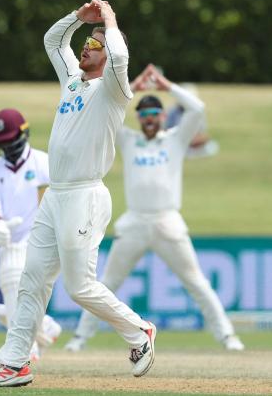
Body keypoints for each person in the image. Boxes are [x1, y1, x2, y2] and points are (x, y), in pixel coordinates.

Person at [0, 0, 156, 387]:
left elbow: (121, 57)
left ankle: (139, 331)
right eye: (88, 42)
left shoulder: (114, 88)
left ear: (107, 53)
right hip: (55, 196)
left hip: (85, 196)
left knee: (79, 286)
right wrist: (79, 18)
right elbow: (52, 41)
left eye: (95, 44)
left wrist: (109, 20)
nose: (87, 47)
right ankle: (15, 363)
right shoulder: (73, 79)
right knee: (32, 279)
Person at [64, 72, 244, 353]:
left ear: (162, 116)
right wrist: (132, 87)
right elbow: (104, 109)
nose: (149, 119)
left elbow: (198, 109)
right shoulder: (127, 139)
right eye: (144, 114)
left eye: (154, 114)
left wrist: (167, 86)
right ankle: (80, 338)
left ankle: (227, 336)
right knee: (107, 283)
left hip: (167, 220)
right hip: (135, 221)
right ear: (139, 118)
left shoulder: (176, 139)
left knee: (196, 282)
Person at [0, 108, 63, 361]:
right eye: (1, 143)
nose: (6, 147)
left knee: (14, 279)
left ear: (24, 134)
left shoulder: (44, 163)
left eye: (10, 141)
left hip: (42, 238)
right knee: (11, 285)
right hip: (10, 240)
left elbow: (58, 201)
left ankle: (26, 350)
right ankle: (44, 328)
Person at [131, 64, 218, 159]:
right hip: (175, 141)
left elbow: (202, 133)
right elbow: (164, 131)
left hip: (190, 143)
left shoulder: (197, 114)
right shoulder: (172, 112)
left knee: (211, 146)